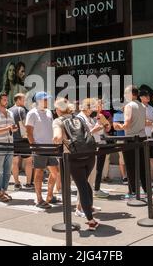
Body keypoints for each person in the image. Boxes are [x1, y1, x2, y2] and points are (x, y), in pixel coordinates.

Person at [52, 97, 99, 231]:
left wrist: (54, 140)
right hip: (89, 156)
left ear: (58, 109)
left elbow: (58, 138)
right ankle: (89, 208)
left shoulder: (58, 121)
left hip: (73, 158)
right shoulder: (79, 118)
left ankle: (90, 220)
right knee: (85, 183)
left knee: (82, 186)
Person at [25, 91, 60, 209]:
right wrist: (34, 146)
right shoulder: (32, 113)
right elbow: (29, 132)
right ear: (39, 100)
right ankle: (39, 199)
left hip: (51, 148)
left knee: (56, 173)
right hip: (39, 148)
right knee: (39, 173)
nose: (47, 101)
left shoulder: (49, 112)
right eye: (45, 99)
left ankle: (49, 196)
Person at [113, 85, 147, 199]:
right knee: (142, 165)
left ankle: (132, 192)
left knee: (130, 166)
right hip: (142, 137)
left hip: (131, 138)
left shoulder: (129, 106)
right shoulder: (142, 105)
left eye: (125, 93)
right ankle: (146, 190)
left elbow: (126, 124)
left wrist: (118, 126)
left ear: (131, 94)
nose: (124, 95)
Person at [78, 98, 110, 199]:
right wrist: (95, 129)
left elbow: (101, 131)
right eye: (92, 107)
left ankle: (89, 203)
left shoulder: (90, 118)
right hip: (86, 150)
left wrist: (99, 127)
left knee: (91, 178)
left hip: (93, 149)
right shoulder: (80, 118)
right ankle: (82, 206)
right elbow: (82, 135)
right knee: (85, 179)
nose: (94, 109)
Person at [8, 93, 34, 190]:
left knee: (14, 162)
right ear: (18, 100)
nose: (25, 101)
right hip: (23, 139)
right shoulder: (21, 110)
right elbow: (25, 123)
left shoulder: (8, 110)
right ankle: (28, 183)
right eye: (23, 99)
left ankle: (17, 183)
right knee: (28, 161)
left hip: (12, 139)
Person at [139, 89, 153, 188]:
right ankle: (146, 181)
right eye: (146, 96)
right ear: (141, 97)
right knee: (144, 160)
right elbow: (143, 122)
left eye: (149, 96)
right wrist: (151, 122)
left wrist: (149, 121)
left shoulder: (151, 108)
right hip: (143, 136)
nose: (148, 98)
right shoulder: (139, 107)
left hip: (152, 136)